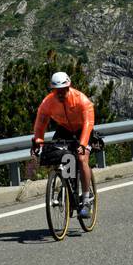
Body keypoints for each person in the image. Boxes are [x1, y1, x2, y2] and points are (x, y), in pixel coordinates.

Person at [31, 71, 96, 217]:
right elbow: (40, 125)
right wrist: (38, 141)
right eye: (57, 91)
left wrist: (83, 144)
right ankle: (66, 185)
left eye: (64, 90)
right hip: (64, 129)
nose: (60, 94)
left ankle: (86, 199)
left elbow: (88, 122)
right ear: (53, 91)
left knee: (80, 158)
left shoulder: (81, 99)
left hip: (83, 129)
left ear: (69, 87)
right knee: (58, 155)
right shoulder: (47, 102)